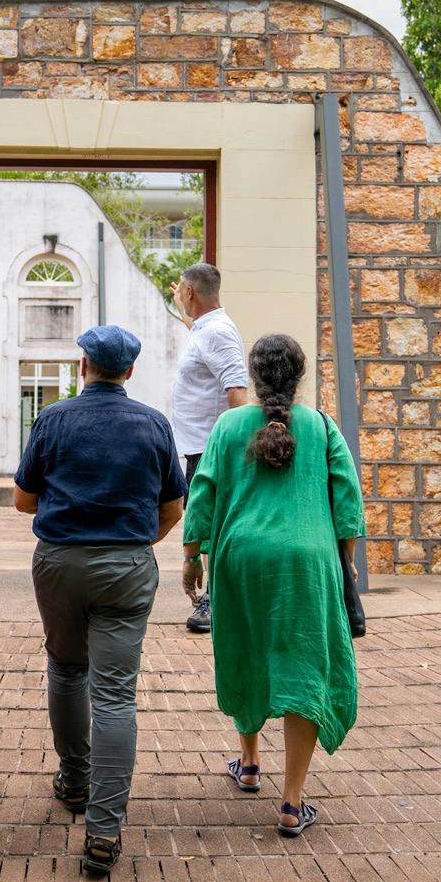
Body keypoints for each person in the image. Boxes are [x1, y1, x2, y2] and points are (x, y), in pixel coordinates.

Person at [13, 324, 186, 877]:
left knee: (67, 669)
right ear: (129, 371)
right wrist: (134, 543)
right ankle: (105, 830)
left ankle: (74, 780)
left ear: (82, 366)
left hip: (60, 561)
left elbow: (22, 500)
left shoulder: (52, 419)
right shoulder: (154, 425)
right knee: (115, 694)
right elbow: (172, 510)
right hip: (126, 566)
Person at [182, 332, 362, 838]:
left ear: (255, 376)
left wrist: (191, 558)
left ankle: (249, 763)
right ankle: (292, 802)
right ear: (299, 376)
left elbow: (203, 492)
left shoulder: (228, 424)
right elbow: (347, 499)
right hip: (308, 561)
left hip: (240, 558)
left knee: (246, 650)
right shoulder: (321, 426)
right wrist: (347, 563)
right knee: (305, 664)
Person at [168, 262, 250, 633]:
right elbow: (202, 342)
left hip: (211, 448)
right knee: (206, 523)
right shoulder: (205, 329)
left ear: (190, 292)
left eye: (183, 290)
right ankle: (214, 599)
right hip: (199, 446)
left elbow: (237, 391)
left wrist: (235, 450)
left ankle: (216, 602)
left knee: (212, 526)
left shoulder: (217, 332)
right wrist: (183, 312)